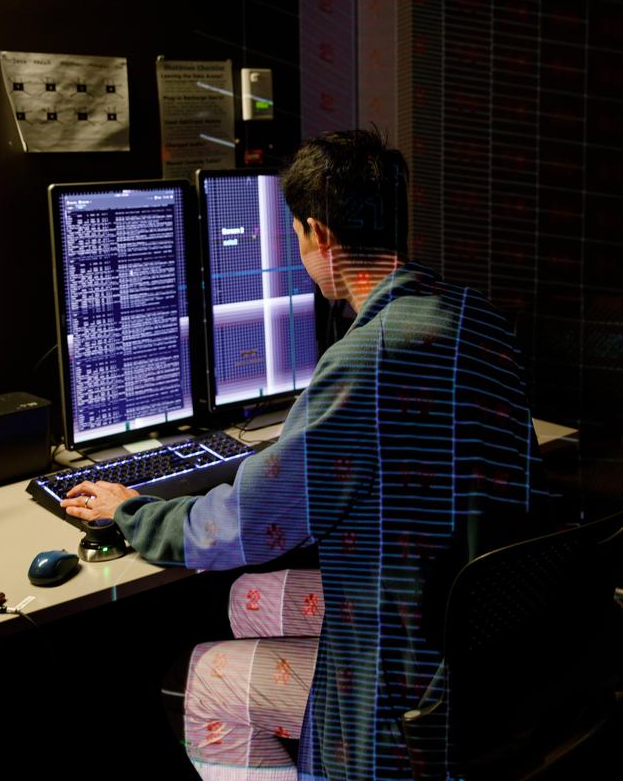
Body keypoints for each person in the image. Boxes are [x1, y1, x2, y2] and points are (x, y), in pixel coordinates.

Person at [61, 129, 554, 780]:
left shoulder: (365, 363)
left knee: (206, 673)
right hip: (491, 632)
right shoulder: (474, 316)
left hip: (410, 691)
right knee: (249, 600)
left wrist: (133, 512)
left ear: (318, 235)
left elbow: (245, 523)